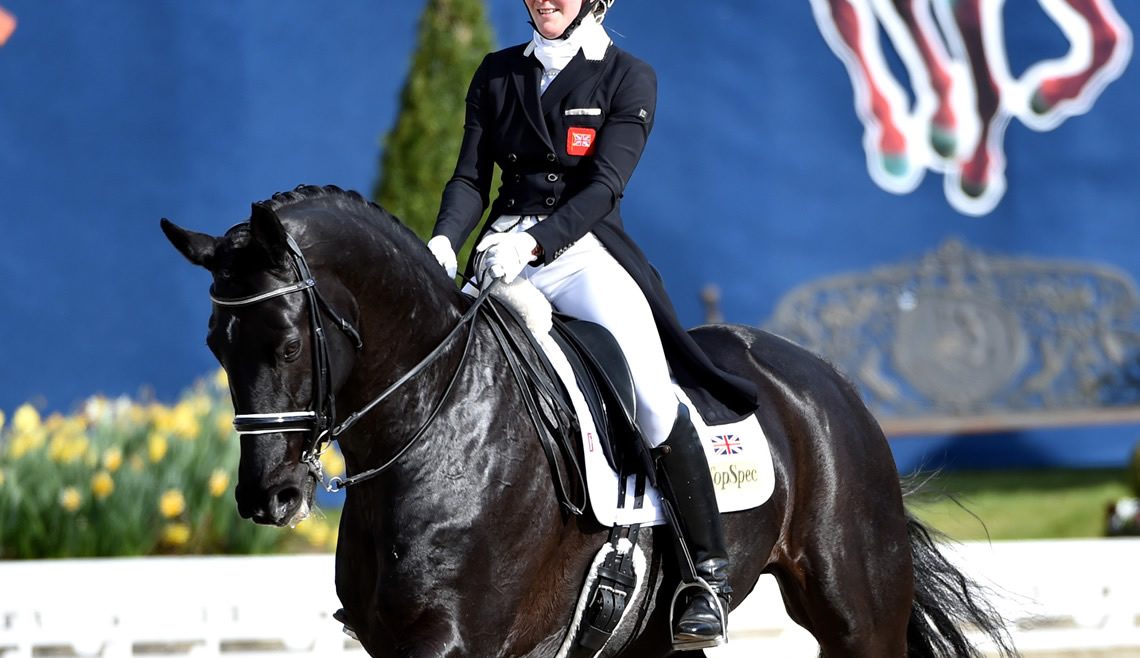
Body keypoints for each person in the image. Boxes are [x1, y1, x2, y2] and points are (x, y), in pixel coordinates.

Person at [427, 0, 760, 648]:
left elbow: (603, 185)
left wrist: (535, 245)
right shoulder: (496, 74)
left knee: (654, 401)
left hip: (581, 255)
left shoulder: (626, 75)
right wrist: (444, 240)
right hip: (498, 253)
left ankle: (705, 577)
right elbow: (470, 177)